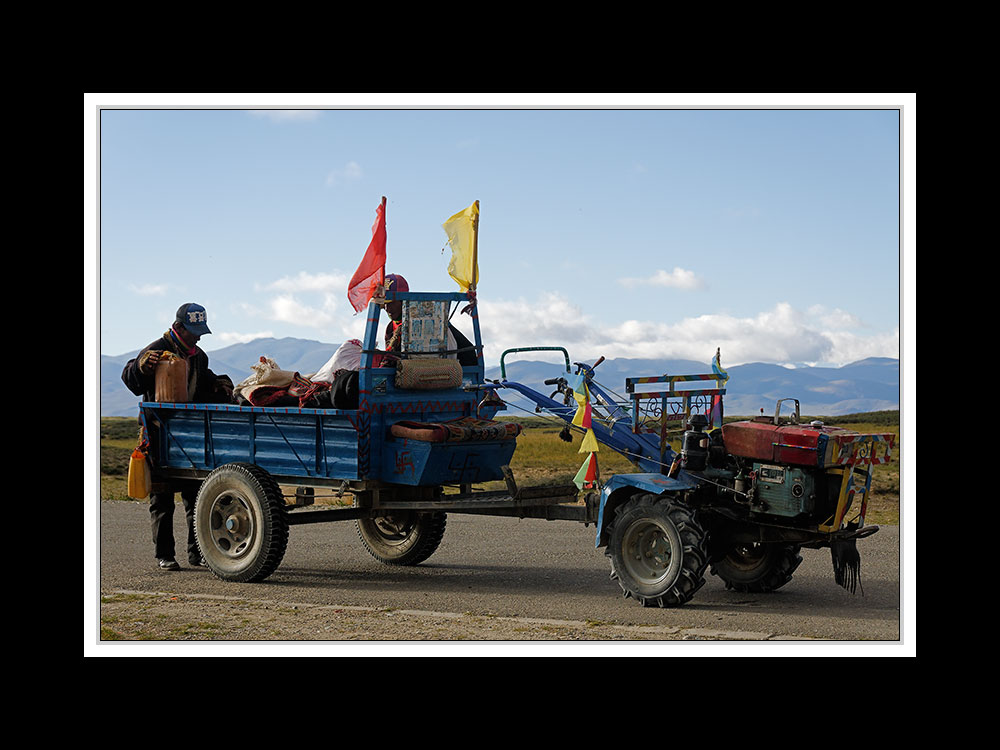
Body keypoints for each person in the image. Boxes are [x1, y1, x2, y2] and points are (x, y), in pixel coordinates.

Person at [121, 303, 234, 571]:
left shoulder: (199, 357)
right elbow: (130, 379)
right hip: (159, 434)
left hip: (188, 436)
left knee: (195, 496)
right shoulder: (156, 350)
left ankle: (198, 553)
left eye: (200, 333)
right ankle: (165, 555)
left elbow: (201, 385)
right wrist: (141, 366)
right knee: (162, 499)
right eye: (193, 332)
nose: (197, 337)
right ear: (179, 327)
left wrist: (220, 383)